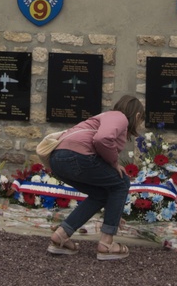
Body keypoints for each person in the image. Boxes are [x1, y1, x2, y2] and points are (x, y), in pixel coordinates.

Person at [47, 95, 144, 261]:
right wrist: (114, 163)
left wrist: (114, 213)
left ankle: (60, 236)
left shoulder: (104, 116)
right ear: (136, 116)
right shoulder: (119, 117)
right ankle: (107, 243)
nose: (141, 125)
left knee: (101, 194)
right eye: (141, 120)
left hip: (57, 160)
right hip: (76, 157)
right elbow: (102, 139)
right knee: (122, 182)